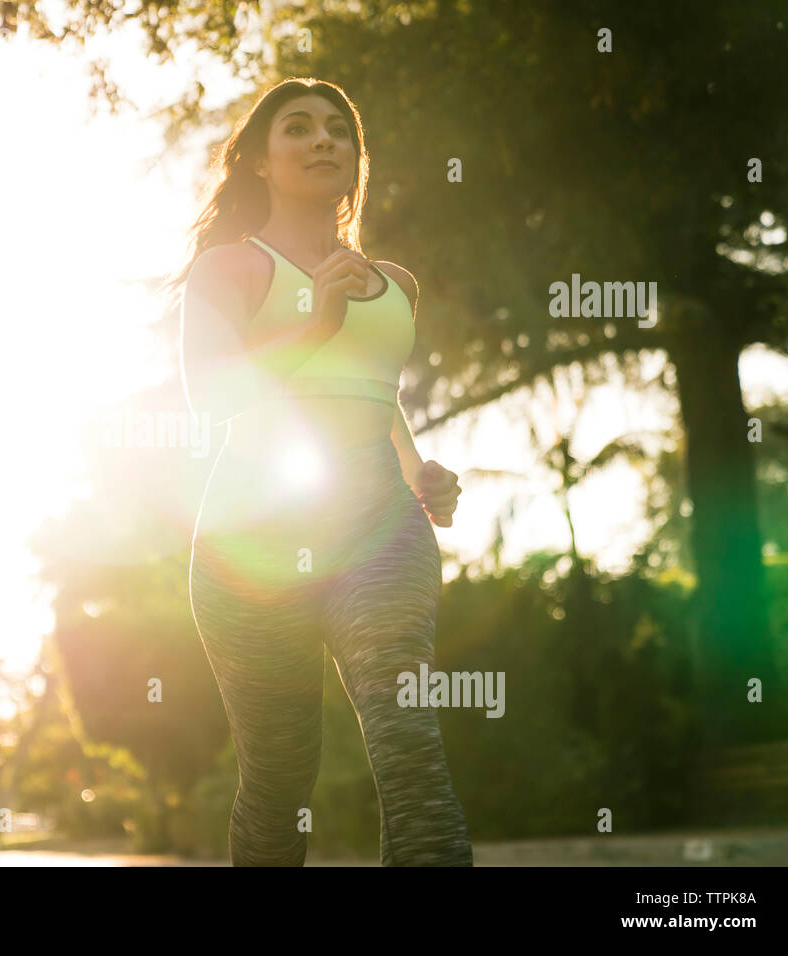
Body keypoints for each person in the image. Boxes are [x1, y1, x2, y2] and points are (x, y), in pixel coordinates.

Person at [165, 78, 473, 866]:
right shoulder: (227, 270)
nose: (322, 140)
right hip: (251, 545)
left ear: (355, 158)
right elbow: (211, 395)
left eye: (338, 129)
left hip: (379, 528)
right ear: (260, 162)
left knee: (409, 743)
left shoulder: (394, 284)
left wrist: (420, 474)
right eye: (297, 128)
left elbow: (379, 397)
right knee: (278, 780)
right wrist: (314, 323)